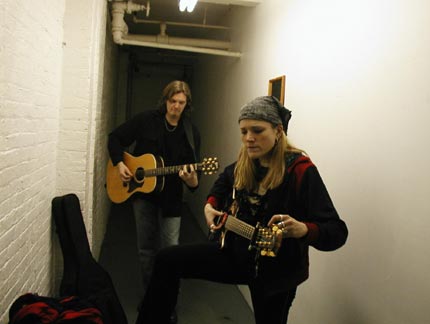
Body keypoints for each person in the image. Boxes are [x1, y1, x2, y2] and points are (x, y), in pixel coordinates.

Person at [135, 96, 348, 324]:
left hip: (276, 272)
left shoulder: (300, 170)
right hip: (235, 255)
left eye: (257, 130)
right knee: (167, 259)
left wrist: (304, 229)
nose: (248, 139)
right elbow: (222, 184)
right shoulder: (245, 162)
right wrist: (210, 205)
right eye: (244, 131)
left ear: (278, 131)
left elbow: (336, 231)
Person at [107, 80, 201, 305]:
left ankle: (168, 303)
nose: (176, 107)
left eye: (181, 102)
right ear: (165, 100)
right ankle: (150, 298)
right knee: (146, 251)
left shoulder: (190, 133)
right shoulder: (146, 120)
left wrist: (191, 178)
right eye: (172, 101)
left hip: (172, 200)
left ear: (186, 104)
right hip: (143, 196)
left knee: (172, 252)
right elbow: (115, 138)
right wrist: (120, 163)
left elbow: (195, 182)